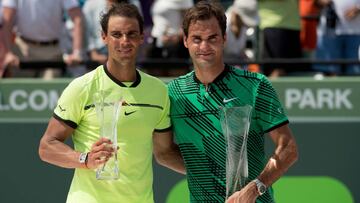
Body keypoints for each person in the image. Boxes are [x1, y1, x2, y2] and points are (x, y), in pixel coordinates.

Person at [38, 3, 183, 203]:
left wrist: (209, 173)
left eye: (132, 34)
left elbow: (164, 152)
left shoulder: (158, 91)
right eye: (116, 34)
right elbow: (47, 146)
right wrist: (85, 159)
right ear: (104, 37)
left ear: (142, 37)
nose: (124, 41)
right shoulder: (82, 87)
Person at [167, 1, 298, 202]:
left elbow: (288, 148)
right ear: (185, 40)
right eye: (196, 39)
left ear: (224, 38)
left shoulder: (256, 85)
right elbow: (163, 151)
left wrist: (255, 188)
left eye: (212, 38)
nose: (204, 46)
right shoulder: (173, 92)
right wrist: (203, 172)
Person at [1, 0, 84, 78]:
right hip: (23, 50)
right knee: (19, 88)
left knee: (50, 89)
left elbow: (77, 18)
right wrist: (8, 53)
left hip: (52, 51)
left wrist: (76, 52)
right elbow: (7, 19)